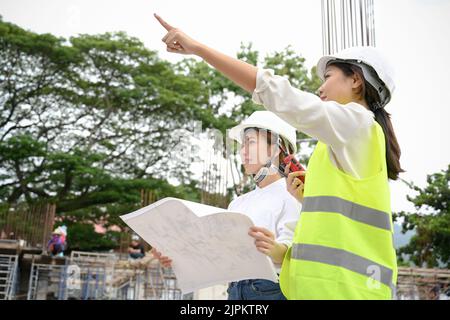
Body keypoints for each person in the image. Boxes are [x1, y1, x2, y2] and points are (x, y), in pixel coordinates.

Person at [153, 14, 402, 300]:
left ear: (356, 80)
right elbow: (320, 243)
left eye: (328, 77)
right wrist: (295, 223)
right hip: (322, 290)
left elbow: (279, 94)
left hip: (346, 291)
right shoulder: (335, 152)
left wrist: (199, 49)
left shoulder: (359, 125)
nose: (320, 88)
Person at [153, 111, 301, 300]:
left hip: (270, 290)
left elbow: (293, 256)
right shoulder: (238, 203)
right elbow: (219, 257)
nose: (243, 151)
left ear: (276, 149)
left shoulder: (293, 195)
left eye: (251, 142)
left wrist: (273, 248)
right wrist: (176, 257)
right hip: (234, 290)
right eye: (242, 145)